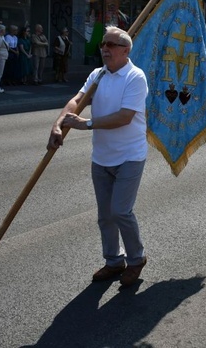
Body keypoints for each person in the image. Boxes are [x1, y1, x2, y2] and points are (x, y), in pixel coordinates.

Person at [48, 26, 149, 287]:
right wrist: (59, 124)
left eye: (112, 45)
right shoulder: (98, 74)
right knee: (105, 215)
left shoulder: (135, 77)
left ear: (125, 51)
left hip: (130, 156)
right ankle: (114, 261)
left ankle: (136, 259)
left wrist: (87, 124)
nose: (104, 48)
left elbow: (125, 117)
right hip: (102, 157)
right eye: (103, 44)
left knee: (120, 211)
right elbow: (78, 99)